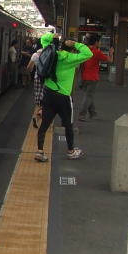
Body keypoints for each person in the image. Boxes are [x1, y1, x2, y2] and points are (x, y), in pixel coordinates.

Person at [35, 32, 92, 162]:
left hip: (48, 94)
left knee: (44, 124)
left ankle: (40, 151)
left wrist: (53, 37)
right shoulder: (70, 58)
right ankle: (71, 151)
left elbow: (43, 39)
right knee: (68, 125)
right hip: (63, 97)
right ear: (72, 49)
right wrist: (76, 44)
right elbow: (89, 53)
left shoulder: (51, 52)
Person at [78, 34, 109, 121]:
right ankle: (82, 114)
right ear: (96, 42)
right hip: (93, 77)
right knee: (88, 96)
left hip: (84, 76)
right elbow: (109, 59)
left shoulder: (85, 51)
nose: (100, 43)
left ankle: (93, 112)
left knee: (88, 95)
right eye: (99, 42)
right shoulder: (96, 52)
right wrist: (111, 52)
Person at [27, 45, 44, 128]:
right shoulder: (52, 53)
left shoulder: (35, 55)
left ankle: (37, 116)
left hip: (37, 77)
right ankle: (38, 115)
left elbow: (29, 67)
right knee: (46, 100)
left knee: (38, 99)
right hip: (48, 80)